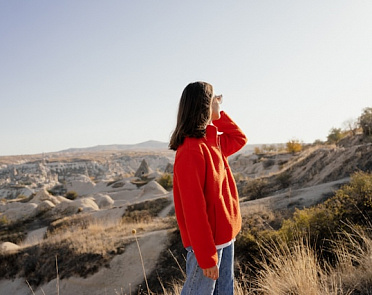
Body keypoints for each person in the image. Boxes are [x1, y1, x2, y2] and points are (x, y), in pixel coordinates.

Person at [169, 81, 247, 294]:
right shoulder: (190, 151)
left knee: (225, 291)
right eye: (214, 99)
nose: (219, 102)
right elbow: (193, 210)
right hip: (208, 245)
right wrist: (206, 257)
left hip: (226, 237)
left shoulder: (213, 142)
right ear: (204, 105)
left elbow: (240, 139)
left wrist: (219, 115)